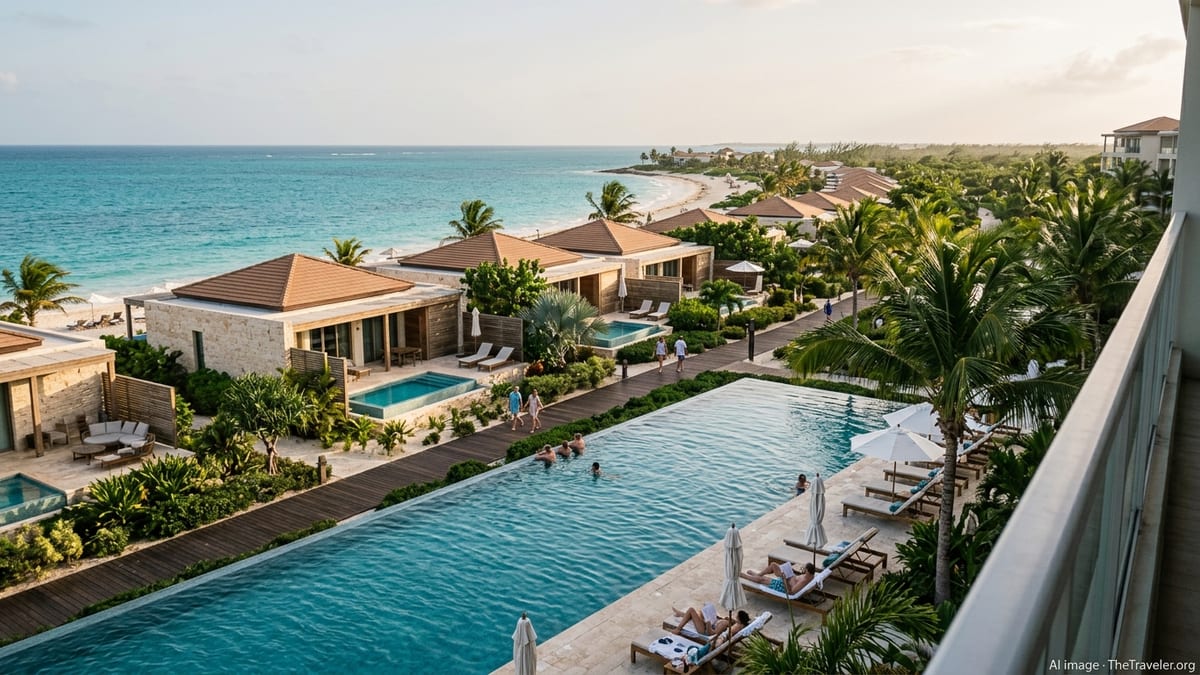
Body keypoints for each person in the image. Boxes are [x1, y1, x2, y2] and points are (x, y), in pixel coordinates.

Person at [741, 560, 816, 596]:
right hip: (789, 578)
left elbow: (791, 592)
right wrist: (792, 571)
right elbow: (797, 579)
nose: (803, 570)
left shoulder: (804, 581)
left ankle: (744, 576)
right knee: (773, 565)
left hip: (784, 586)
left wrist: (785, 579)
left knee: (763, 580)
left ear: (808, 571)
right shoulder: (810, 576)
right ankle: (758, 574)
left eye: (804, 569)